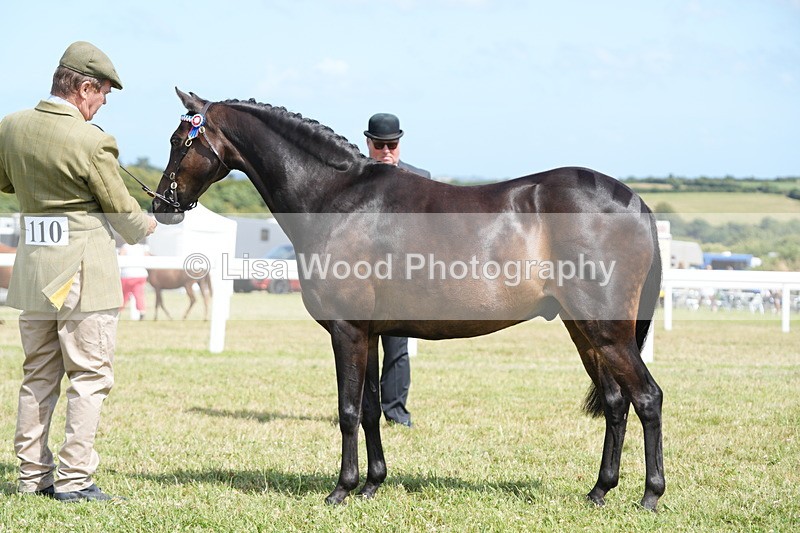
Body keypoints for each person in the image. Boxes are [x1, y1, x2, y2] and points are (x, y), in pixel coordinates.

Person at [0, 41, 157, 502]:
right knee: (89, 377)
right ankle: (73, 480)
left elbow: (4, 181)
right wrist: (154, 220)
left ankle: (32, 477)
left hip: (32, 271)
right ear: (85, 87)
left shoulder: (10, 126)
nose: (102, 103)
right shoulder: (93, 140)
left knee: (38, 375)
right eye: (103, 93)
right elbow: (127, 221)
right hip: (84, 275)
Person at [364, 113, 431, 428]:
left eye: (392, 144)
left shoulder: (421, 178)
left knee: (397, 348)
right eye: (380, 145)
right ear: (368, 143)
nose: (387, 151)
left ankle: (396, 411)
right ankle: (366, 410)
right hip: (361, 278)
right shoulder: (355, 179)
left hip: (402, 279)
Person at [119, 240, 150, 320]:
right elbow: (147, 258)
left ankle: (119, 311)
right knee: (139, 294)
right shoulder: (142, 247)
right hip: (140, 275)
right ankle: (142, 311)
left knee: (124, 294)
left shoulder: (125, 246)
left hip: (127, 275)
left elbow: (120, 257)